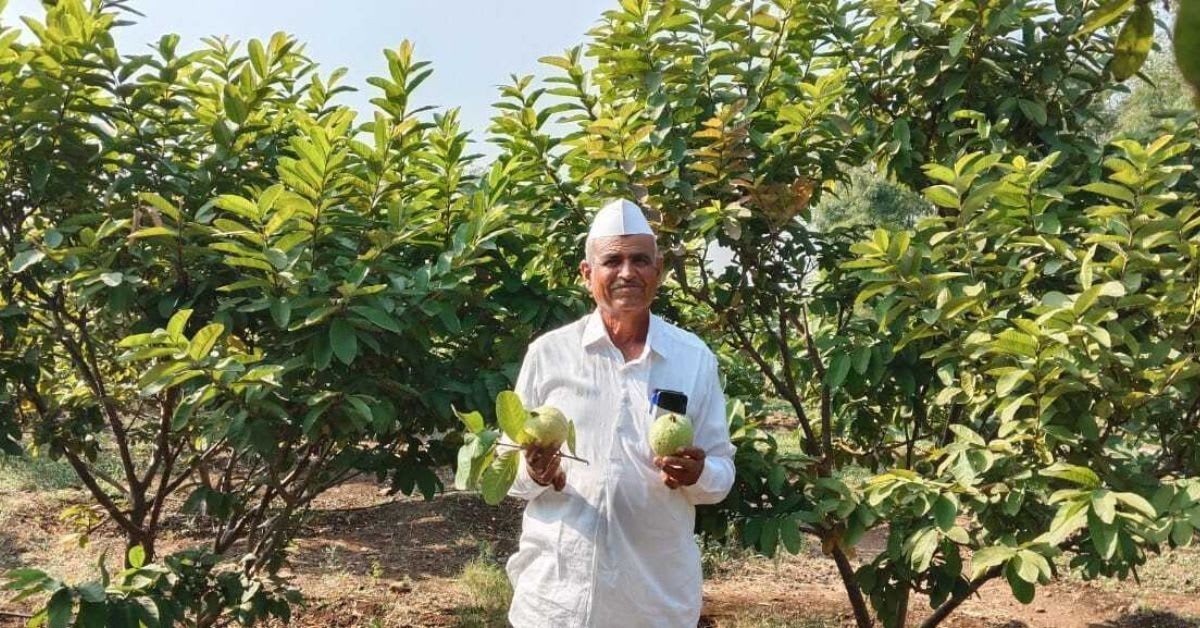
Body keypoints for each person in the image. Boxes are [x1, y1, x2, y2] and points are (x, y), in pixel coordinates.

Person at [504, 198, 736, 627]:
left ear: (658, 271)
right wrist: (533, 471)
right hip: (556, 600)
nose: (627, 272)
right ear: (587, 274)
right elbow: (506, 467)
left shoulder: (693, 360)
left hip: (652, 601)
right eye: (613, 260)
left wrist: (697, 474)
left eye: (640, 260)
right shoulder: (549, 355)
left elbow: (721, 472)